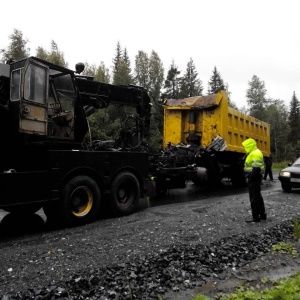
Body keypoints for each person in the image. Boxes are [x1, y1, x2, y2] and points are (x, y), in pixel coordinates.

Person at [242, 138, 267, 223]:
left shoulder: (255, 153)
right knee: (258, 196)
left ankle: (256, 217)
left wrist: (249, 177)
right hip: (255, 177)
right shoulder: (254, 152)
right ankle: (263, 215)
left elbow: (256, 168)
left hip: (254, 178)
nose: (244, 148)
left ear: (250, 146)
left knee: (254, 198)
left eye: (246, 146)